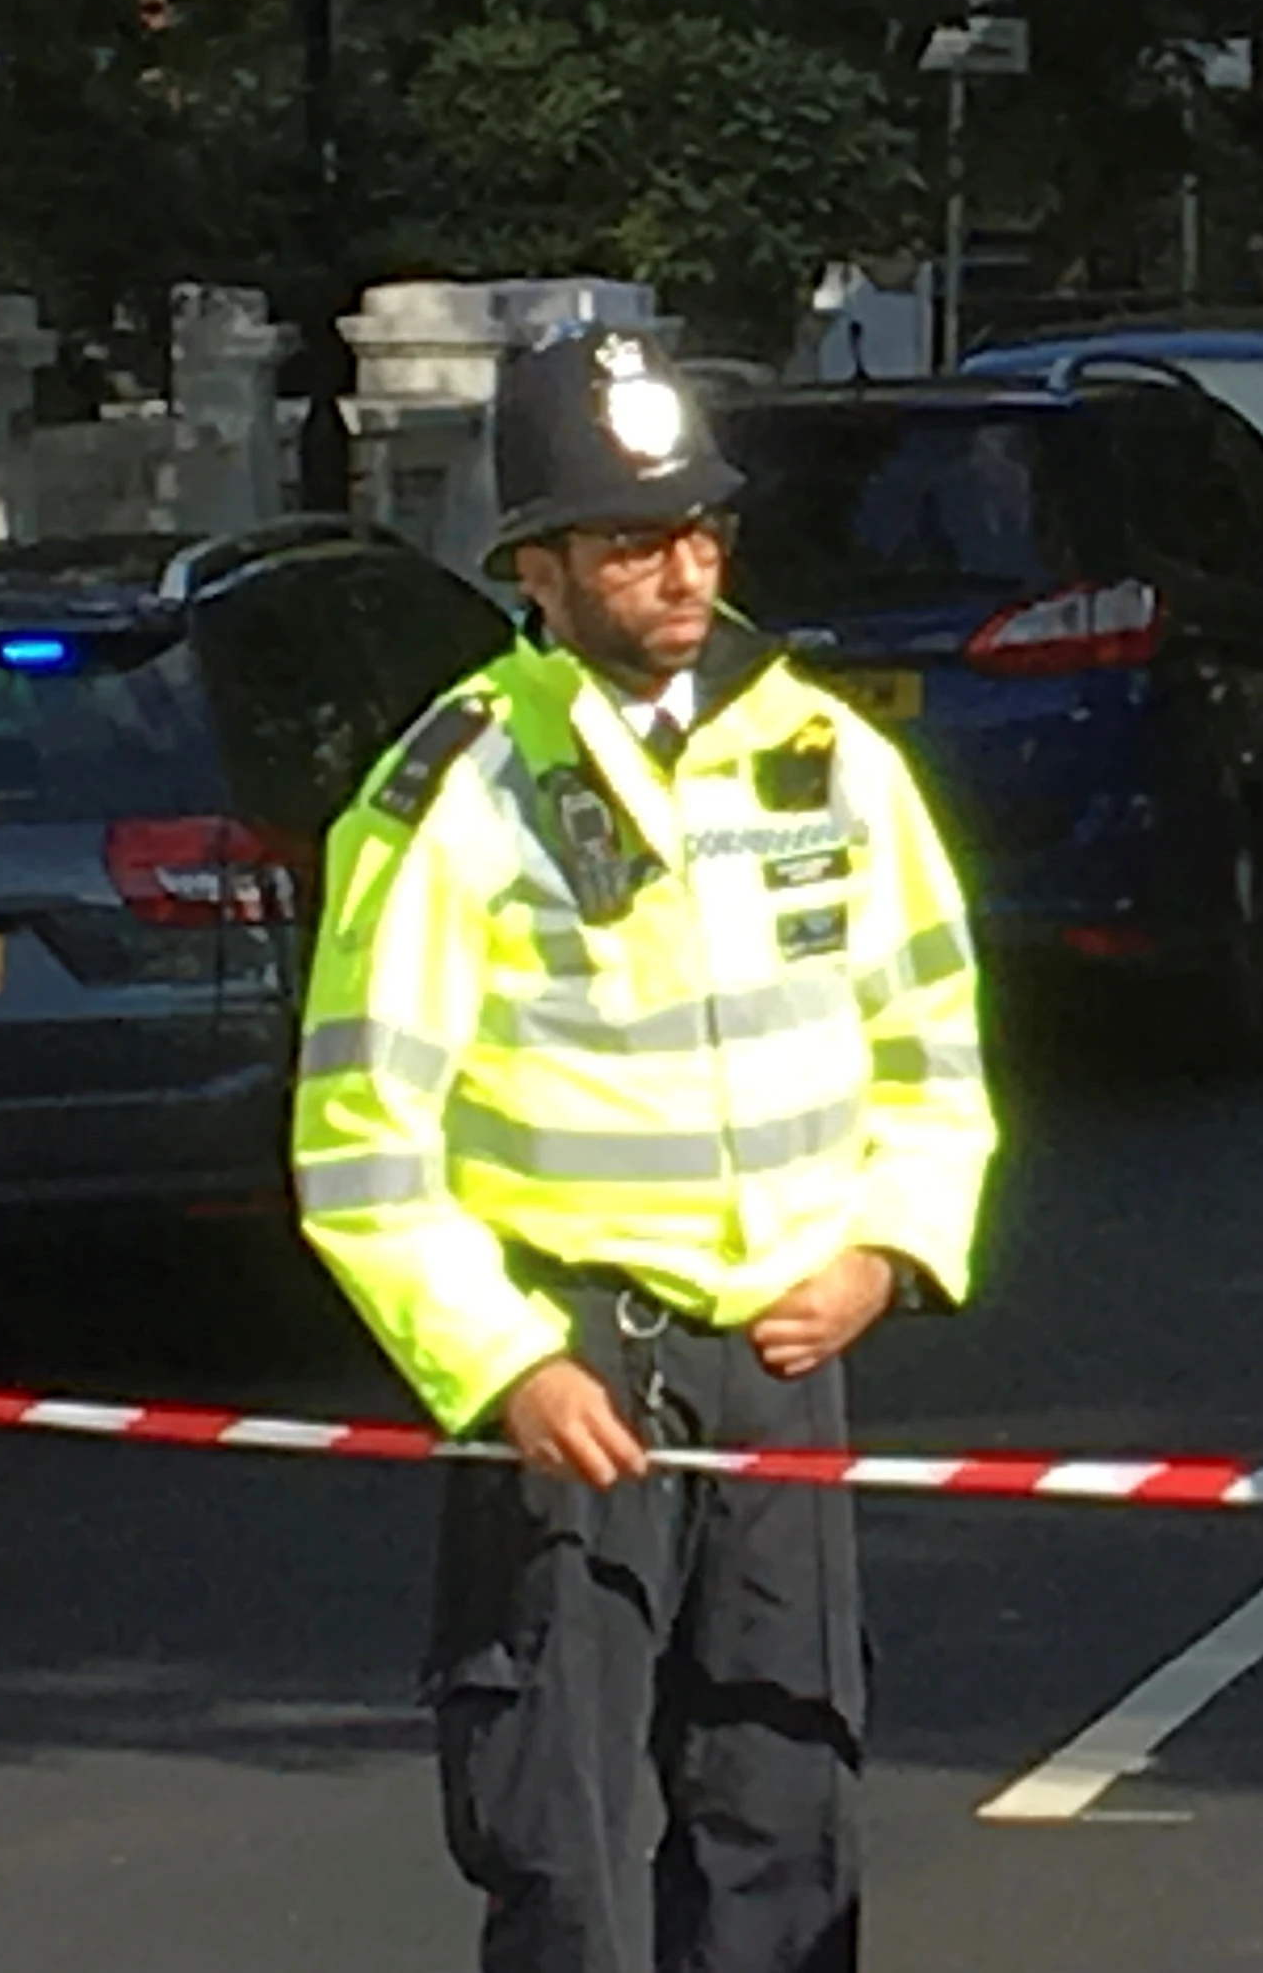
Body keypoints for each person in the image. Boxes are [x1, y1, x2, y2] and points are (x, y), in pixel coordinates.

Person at [295, 328, 997, 1973]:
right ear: (536, 567)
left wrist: (885, 1246)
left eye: (700, 530)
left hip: (777, 1356)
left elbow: (933, 1038)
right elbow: (358, 1131)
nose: (681, 569)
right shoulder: (456, 784)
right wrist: (504, 1364)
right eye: (631, 540)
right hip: (572, 1364)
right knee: (559, 1838)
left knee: (787, 1804)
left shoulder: (826, 755)